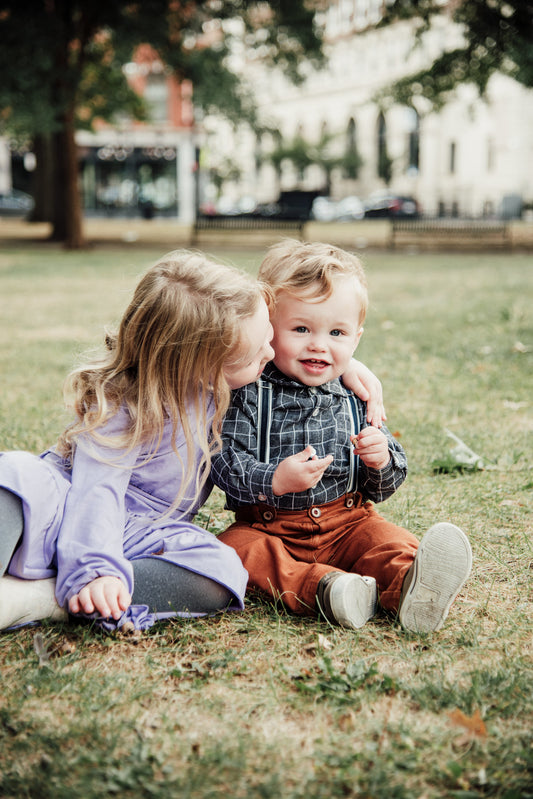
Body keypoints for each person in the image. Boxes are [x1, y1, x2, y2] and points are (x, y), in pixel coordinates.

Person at [0, 248, 382, 633]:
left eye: (269, 338)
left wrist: (347, 363)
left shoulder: (226, 384)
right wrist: (92, 569)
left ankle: (46, 599)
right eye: (257, 354)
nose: (271, 353)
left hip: (144, 533)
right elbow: (95, 494)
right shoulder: (123, 406)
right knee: (14, 476)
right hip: (66, 509)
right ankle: (81, 584)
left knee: (222, 570)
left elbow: (293, 360)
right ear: (205, 369)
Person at [211, 241, 472, 633]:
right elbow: (223, 462)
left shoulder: (356, 393)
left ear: (356, 338)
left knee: (388, 541)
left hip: (350, 521)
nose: (319, 343)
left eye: (337, 332)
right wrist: (274, 479)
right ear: (268, 330)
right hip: (269, 528)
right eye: (301, 329)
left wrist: (380, 459)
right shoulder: (249, 391)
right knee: (233, 550)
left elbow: (384, 485)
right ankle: (330, 590)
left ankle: (412, 587)